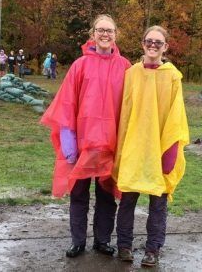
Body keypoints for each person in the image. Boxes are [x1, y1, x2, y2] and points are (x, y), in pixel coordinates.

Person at [40, 14, 131, 258]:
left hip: (110, 145)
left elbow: (131, 105)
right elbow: (67, 102)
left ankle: (102, 240)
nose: (105, 34)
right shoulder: (80, 65)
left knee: (106, 196)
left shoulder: (125, 66)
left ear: (115, 35)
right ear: (92, 34)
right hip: (83, 145)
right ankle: (78, 241)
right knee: (79, 194)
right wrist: (69, 140)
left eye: (109, 30)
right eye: (101, 30)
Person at [113, 25, 189, 266]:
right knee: (127, 200)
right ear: (143, 44)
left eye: (158, 42)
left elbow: (176, 117)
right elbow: (125, 111)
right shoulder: (132, 73)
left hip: (160, 147)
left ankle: (153, 249)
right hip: (135, 146)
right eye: (149, 41)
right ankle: (124, 246)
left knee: (158, 203)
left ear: (165, 47)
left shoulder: (173, 76)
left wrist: (171, 152)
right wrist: (122, 145)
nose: (153, 45)